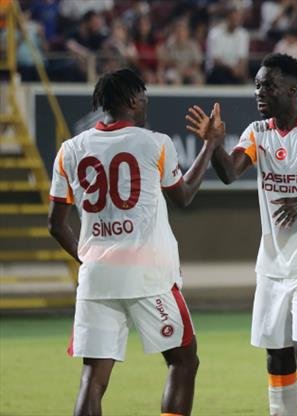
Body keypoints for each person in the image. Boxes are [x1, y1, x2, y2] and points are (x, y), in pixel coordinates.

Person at [48, 68, 225, 416]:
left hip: (96, 278)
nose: (146, 104)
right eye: (144, 97)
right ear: (132, 100)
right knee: (183, 361)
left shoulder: (69, 149)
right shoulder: (154, 143)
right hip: (148, 276)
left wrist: (87, 258)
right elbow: (184, 196)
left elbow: (55, 224)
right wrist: (210, 145)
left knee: (93, 378)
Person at [196, 53, 297, 415]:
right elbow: (229, 173)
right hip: (272, 266)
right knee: (277, 357)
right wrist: (213, 144)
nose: (259, 92)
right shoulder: (257, 132)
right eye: (257, 86)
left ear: (292, 90)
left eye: (268, 85)